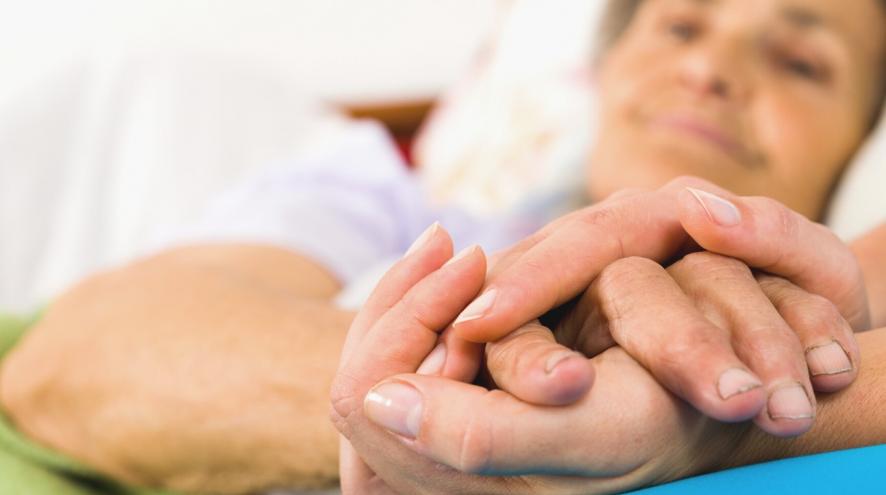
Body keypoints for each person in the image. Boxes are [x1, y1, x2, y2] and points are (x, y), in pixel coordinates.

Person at [1, 0, 884, 493]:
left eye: (800, 63)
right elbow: (71, 365)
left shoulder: (839, 320)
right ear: (606, 73)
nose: (707, 69)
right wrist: (493, 392)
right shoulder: (384, 197)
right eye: (680, 27)